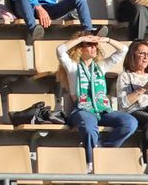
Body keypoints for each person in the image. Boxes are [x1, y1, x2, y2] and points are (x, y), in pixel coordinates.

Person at [56, 33, 138, 167]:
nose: (94, 47)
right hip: (83, 109)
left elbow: (123, 50)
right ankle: (91, 162)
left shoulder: (101, 67)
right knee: (88, 126)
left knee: (130, 122)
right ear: (79, 49)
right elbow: (60, 50)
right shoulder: (73, 67)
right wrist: (81, 38)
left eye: (95, 45)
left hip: (103, 110)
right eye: (89, 45)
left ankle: (102, 147)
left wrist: (106, 40)